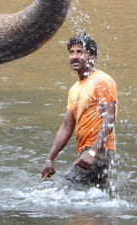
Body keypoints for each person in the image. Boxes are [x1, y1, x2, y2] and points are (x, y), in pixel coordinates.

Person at [41, 33, 117, 187]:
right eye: (72, 52)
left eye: (80, 52)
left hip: (99, 150)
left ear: (93, 56)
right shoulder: (74, 89)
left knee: (63, 188)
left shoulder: (102, 81)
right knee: (100, 195)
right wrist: (49, 159)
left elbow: (109, 119)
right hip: (88, 152)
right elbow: (66, 128)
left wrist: (92, 152)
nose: (74, 57)